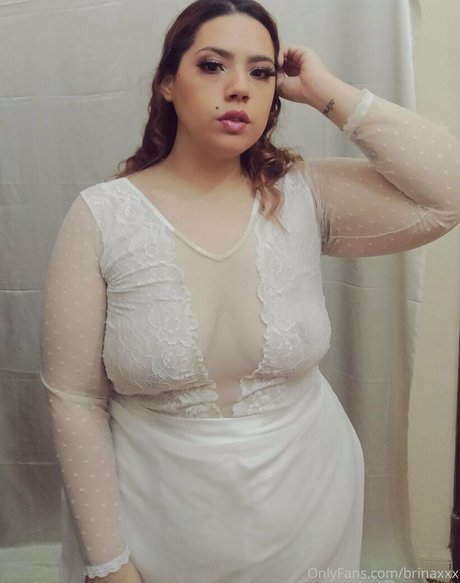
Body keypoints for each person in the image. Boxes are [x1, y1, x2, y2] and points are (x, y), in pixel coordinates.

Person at [39, 1, 460, 582]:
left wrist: (326, 92)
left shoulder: (305, 196)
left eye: (261, 73)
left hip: (309, 505)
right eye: (213, 65)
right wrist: (109, 561)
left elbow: (447, 192)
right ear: (167, 83)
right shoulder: (102, 216)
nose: (239, 87)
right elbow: (74, 398)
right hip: (153, 517)